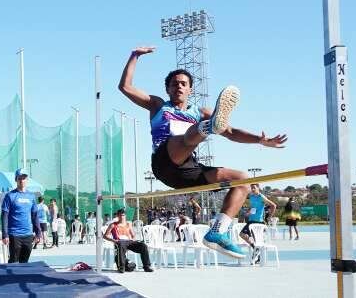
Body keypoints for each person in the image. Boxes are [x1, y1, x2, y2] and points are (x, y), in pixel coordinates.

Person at [119, 46, 287, 258]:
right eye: (174, 84)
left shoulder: (199, 112)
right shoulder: (158, 105)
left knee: (242, 179)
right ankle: (208, 128)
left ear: (190, 89)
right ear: (168, 90)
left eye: (183, 84)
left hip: (188, 169)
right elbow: (125, 87)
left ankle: (218, 232)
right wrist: (135, 56)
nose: (179, 87)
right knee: (185, 138)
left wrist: (260, 141)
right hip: (164, 161)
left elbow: (232, 132)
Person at [1, 168, 41, 263]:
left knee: (25, 263)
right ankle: (10, 278)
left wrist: (38, 232)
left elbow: (34, 215)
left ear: (27, 180)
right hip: (14, 235)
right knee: (14, 262)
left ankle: (22, 278)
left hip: (28, 235)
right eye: (20, 178)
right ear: (16, 180)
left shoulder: (31, 196)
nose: (22, 180)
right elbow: (4, 216)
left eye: (24, 178)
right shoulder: (10, 196)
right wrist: (5, 234)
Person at [103, 208, 153, 273]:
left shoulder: (128, 224)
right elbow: (105, 236)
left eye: (123, 215)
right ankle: (122, 267)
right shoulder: (113, 225)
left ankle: (147, 267)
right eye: (120, 215)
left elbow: (133, 236)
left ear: (125, 216)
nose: (122, 217)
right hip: (119, 241)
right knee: (121, 244)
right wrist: (114, 241)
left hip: (129, 242)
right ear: (117, 216)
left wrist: (133, 240)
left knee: (143, 246)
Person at [239, 184, 276, 263]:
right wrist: (248, 212)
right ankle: (256, 249)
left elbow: (273, 205)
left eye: (254, 188)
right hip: (251, 220)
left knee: (256, 239)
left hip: (259, 222)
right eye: (251, 188)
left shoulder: (261, 197)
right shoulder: (251, 197)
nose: (252, 189)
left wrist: (269, 217)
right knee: (242, 234)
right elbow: (252, 207)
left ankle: (256, 251)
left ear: (258, 188)